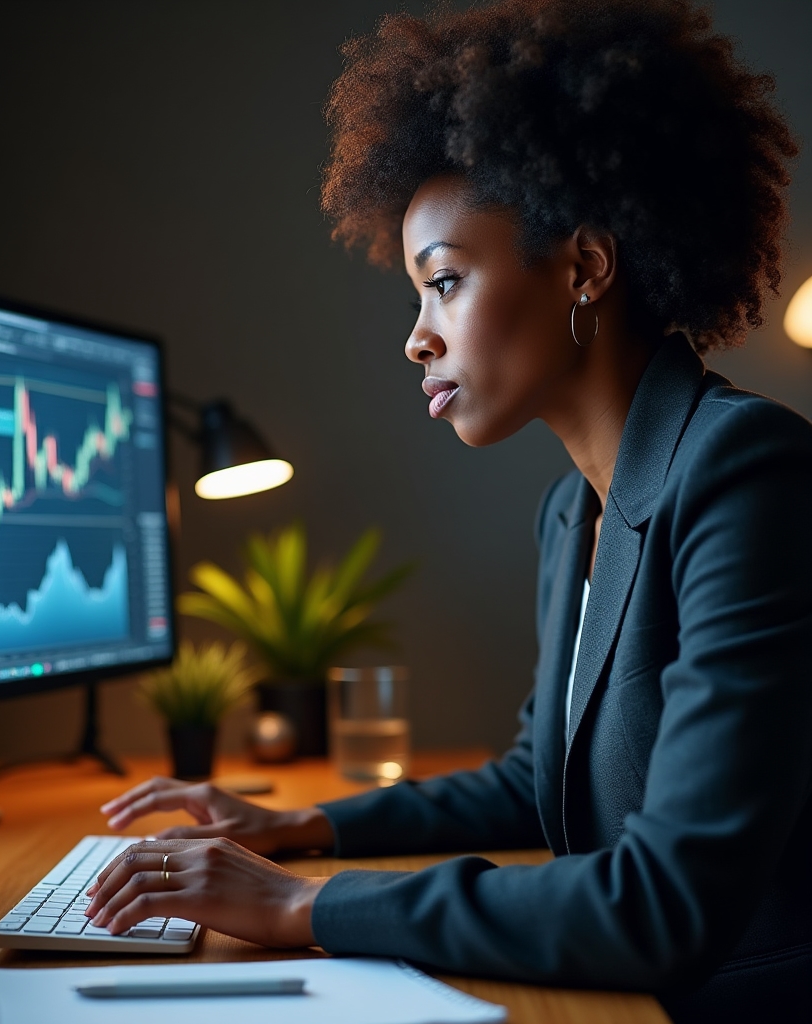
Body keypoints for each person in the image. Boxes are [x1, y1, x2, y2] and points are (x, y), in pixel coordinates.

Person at [85, 2, 812, 1020]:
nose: (416, 339)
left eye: (446, 283)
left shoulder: (745, 476)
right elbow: (535, 780)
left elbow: (666, 899)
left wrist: (306, 904)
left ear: (585, 267)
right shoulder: (575, 512)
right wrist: (300, 826)